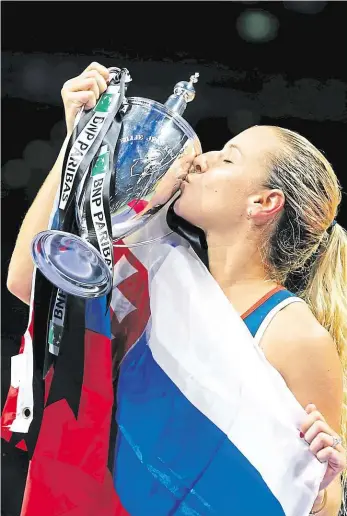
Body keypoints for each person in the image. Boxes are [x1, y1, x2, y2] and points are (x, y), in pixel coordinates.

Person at [6, 62, 347, 515]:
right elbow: (30, 280)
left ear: (263, 204)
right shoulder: (161, 269)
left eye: (227, 158)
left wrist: (319, 489)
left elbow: (314, 497)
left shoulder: (293, 336)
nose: (200, 159)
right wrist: (77, 150)